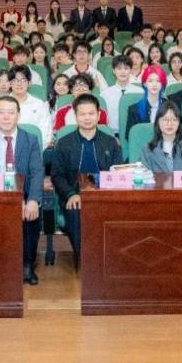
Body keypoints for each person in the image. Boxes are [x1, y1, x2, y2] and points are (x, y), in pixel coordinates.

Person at [0, 96, 45, 285]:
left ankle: (27, 264)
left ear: (18, 115)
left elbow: (37, 172)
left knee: (31, 213)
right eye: (1, 112)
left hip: (23, 194)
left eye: (11, 113)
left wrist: (33, 200)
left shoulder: (30, 140)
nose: (6, 117)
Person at [50, 94, 123, 267]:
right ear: (75, 116)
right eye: (82, 114)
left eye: (91, 113)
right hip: (74, 196)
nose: (87, 118)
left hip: (104, 196)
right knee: (76, 211)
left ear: (98, 115)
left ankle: (111, 261)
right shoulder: (64, 143)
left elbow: (118, 173)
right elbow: (57, 175)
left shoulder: (111, 142)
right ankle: (87, 262)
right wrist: (70, 194)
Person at [141, 101, 182, 172]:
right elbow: (143, 176)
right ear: (158, 123)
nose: (169, 124)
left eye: (174, 120)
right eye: (165, 119)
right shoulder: (147, 151)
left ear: (179, 123)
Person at [3, 66, 52, 148]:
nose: (19, 84)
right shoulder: (0, 104)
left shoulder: (39, 105)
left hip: (33, 149)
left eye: (23, 80)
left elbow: (46, 133)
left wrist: (35, 150)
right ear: (10, 83)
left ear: (29, 83)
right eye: (15, 80)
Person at [125, 64, 167, 133]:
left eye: (158, 81)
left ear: (162, 84)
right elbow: (130, 135)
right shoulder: (134, 110)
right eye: (150, 81)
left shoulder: (169, 107)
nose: (154, 84)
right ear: (145, 84)